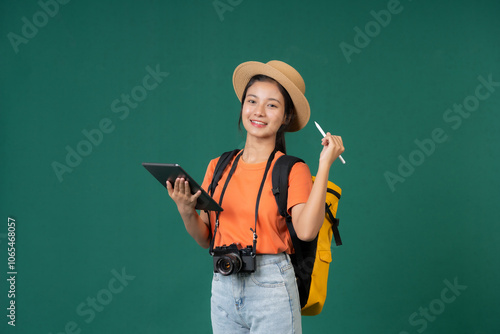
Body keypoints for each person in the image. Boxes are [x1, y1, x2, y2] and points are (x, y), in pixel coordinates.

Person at [166, 60, 344, 333]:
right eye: (252, 101)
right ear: (242, 106)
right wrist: (185, 209)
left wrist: (324, 165)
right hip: (223, 283)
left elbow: (307, 231)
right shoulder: (218, 165)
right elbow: (206, 238)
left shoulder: (292, 169)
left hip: (271, 286)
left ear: (285, 117)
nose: (258, 111)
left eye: (272, 105)